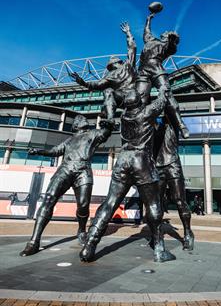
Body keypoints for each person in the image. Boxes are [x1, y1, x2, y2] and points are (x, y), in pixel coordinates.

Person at [80, 88, 176, 263]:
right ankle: (159, 249)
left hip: (122, 160)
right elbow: (162, 100)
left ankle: (90, 245)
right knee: (153, 204)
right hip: (141, 161)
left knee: (109, 203)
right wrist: (163, 90)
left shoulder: (124, 117)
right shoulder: (146, 112)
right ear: (139, 102)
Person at [20, 116, 113, 256]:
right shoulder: (69, 141)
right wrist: (39, 151)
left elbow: (105, 133)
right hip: (65, 170)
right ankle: (34, 242)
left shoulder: (93, 134)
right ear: (75, 126)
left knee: (83, 205)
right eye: (80, 119)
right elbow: (54, 151)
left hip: (83, 170)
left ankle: (81, 230)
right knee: (49, 198)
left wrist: (108, 126)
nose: (83, 119)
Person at [135, 11, 189, 139]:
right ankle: (140, 127)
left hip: (156, 69)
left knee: (166, 93)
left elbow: (173, 47)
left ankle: (180, 124)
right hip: (143, 71)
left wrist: (173, 39)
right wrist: (148, 19)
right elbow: (146, 31)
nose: (165, 32)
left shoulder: (167, 45)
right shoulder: (150, 40)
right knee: (140, 100)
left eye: (167, 33)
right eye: (165, 32)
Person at [70, 22, 136, 122]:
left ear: (115, 63)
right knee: (108, 91)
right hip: (123, 98)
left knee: (108, 91)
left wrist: (128, 33)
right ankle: (110, 120)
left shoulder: (128, 65)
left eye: (110, 66)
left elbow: (132, 48)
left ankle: (108, 116)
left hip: (134, 94)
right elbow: (98, 84)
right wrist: (83, 83)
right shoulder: (111, 75)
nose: (110, 68)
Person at [154, 117, 194, 250]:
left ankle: (188, 232)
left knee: (179, 200)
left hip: (173, 165)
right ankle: (157, 235)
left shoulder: (172, 125)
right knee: (157, 203)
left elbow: (170, 105)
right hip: (158, 167)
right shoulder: (151, 127)